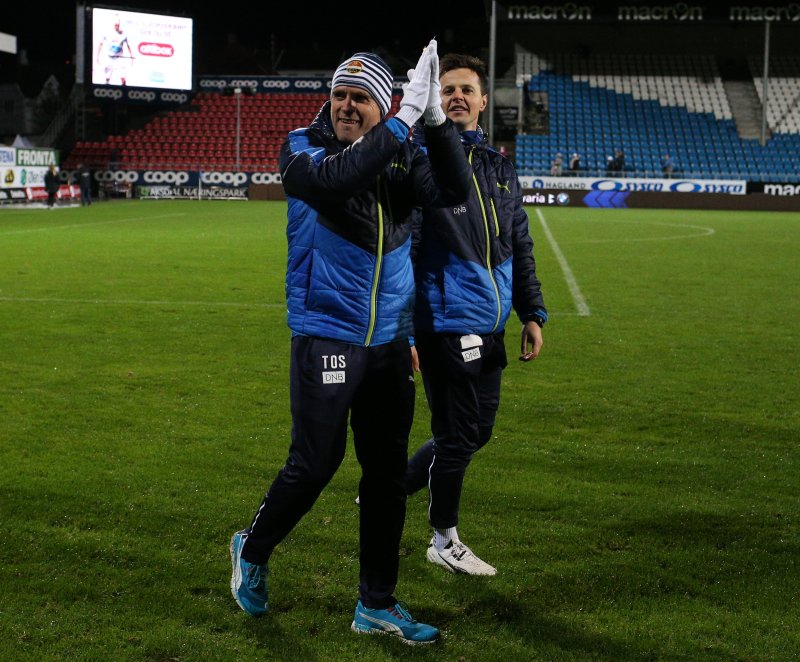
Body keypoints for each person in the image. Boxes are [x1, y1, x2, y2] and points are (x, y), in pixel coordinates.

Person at [229, 40, 471, 645]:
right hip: (327, 334)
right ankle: (251, 549)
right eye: (339, 94)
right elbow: (340, 180)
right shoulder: (301, 149)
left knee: (387, 475)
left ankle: (377, 605)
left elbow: (455, 193)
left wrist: (435, 124)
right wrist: (401, 120)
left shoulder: (401, 152)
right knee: (315, 463)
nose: (345, 105)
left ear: (383, 101)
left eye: (360, 97)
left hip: (389, 340)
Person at [405, 53, 547, 575]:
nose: (457, 97)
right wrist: (406, 331)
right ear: (434, 101)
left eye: (466, 89)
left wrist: (531, 311)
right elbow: (408, 251)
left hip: (490, 323)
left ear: (484, 101)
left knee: (476, 432)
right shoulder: (422, 162)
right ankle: (444, 540)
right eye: (448, 90)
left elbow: (519, 242)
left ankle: (392, 488)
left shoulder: (498, 166)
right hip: (443, 322)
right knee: (459, 434)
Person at [95, 14, 134, 85]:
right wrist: (97, 57)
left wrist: (131, 57)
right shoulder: (107, 33)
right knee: (107, 78)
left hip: (119, 58)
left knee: (123, 77)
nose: (117, 26)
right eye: (115, 24)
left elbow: (128, 46)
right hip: (109, 57)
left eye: (118, 25)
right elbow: (100, 44)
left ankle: (124, 89)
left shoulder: (124, 34)